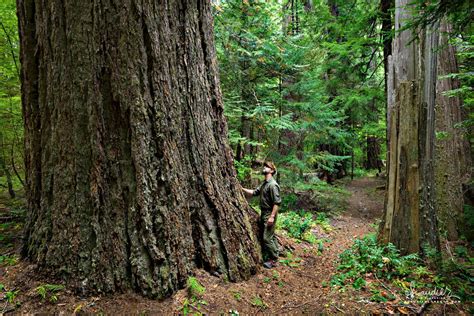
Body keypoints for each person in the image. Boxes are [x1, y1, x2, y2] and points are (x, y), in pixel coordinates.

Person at [242, 161, 281, 269]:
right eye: (264, 166)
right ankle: (275, 252)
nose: (264, 168)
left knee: (266, 238)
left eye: (267, 167)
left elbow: (277, 203)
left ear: (272, 171)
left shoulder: (273, 185)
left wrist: (272, 217)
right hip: (263, 212)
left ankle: (274, 259)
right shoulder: (265, 183)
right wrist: (241, 188)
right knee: (270, 236)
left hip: (269, 213)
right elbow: (254, 192)